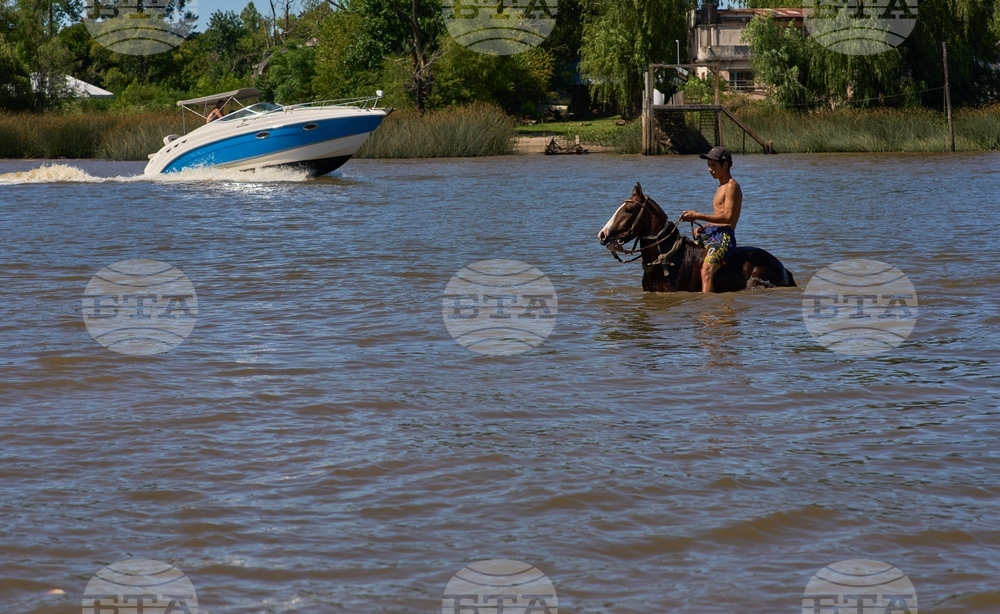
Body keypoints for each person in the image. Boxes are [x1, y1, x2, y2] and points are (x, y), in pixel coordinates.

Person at [678, 146, 742, 293]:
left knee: (706, 271)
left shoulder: (732, 186)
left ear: (725, 165)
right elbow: (719, 216)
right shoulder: (721, 186)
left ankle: (708, 309)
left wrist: (697, 215)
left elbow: (728, 218)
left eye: (713, 165)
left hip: (724, 237)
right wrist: (705, 227)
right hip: (712, 233)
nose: (709, 169)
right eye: (708, 166)